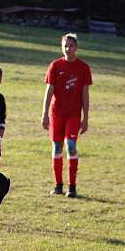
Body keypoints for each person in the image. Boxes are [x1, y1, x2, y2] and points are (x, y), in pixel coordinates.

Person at [41, 33, 92, 198]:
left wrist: (86, 118)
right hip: (56, 114)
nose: (68, 49)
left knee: (71, 146)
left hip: (74, 115)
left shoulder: (83, 68)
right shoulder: (55, 66)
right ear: (61, 47)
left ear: (76, 47)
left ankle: (72, 186)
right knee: (57, 148)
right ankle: (58, 185)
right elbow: (48, 92)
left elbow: (85, 94)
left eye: (70, 46)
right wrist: (44, 114)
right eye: (65, 46)